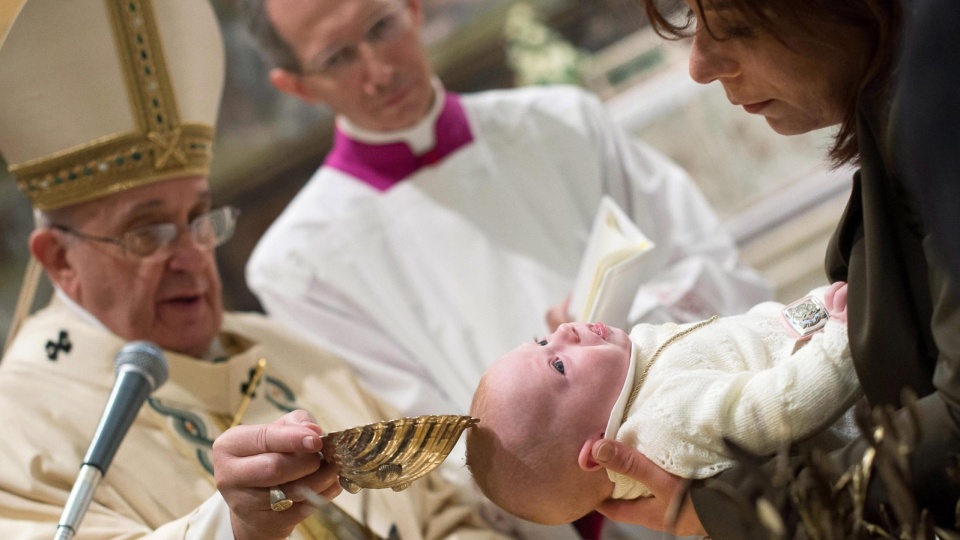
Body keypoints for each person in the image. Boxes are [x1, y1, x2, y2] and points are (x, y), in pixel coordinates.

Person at [0, 1, 509, 539]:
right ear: (59, 260)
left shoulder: (286, 350)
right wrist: (234, 528)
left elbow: (443, 514)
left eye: (199, 218)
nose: (192, 255)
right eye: (147, 234)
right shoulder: (17, 429)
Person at [240, 0, 773, 426]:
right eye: (337, 59)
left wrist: (630, 324)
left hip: (724, 426)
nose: (377, 72)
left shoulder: (565, 123)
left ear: (415, 8)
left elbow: (719, 273)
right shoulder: (298, 266)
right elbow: (412, 435)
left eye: (381, 27)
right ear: (298, 86)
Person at [586, 0, 960, 537]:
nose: (700, 66)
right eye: (695, 24)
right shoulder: (901, 119)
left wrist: (752, 512)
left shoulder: (940, 110)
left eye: (736, 28)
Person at [466, 284, 858, 526]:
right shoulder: (664, 422)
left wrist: (816, 307)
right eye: (558, 365)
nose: (563, 331)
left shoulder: (638, 368)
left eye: (541, 341)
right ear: (598, 448)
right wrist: (843, 337)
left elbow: (746, 337)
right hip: (859, 423)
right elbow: (780, 406)